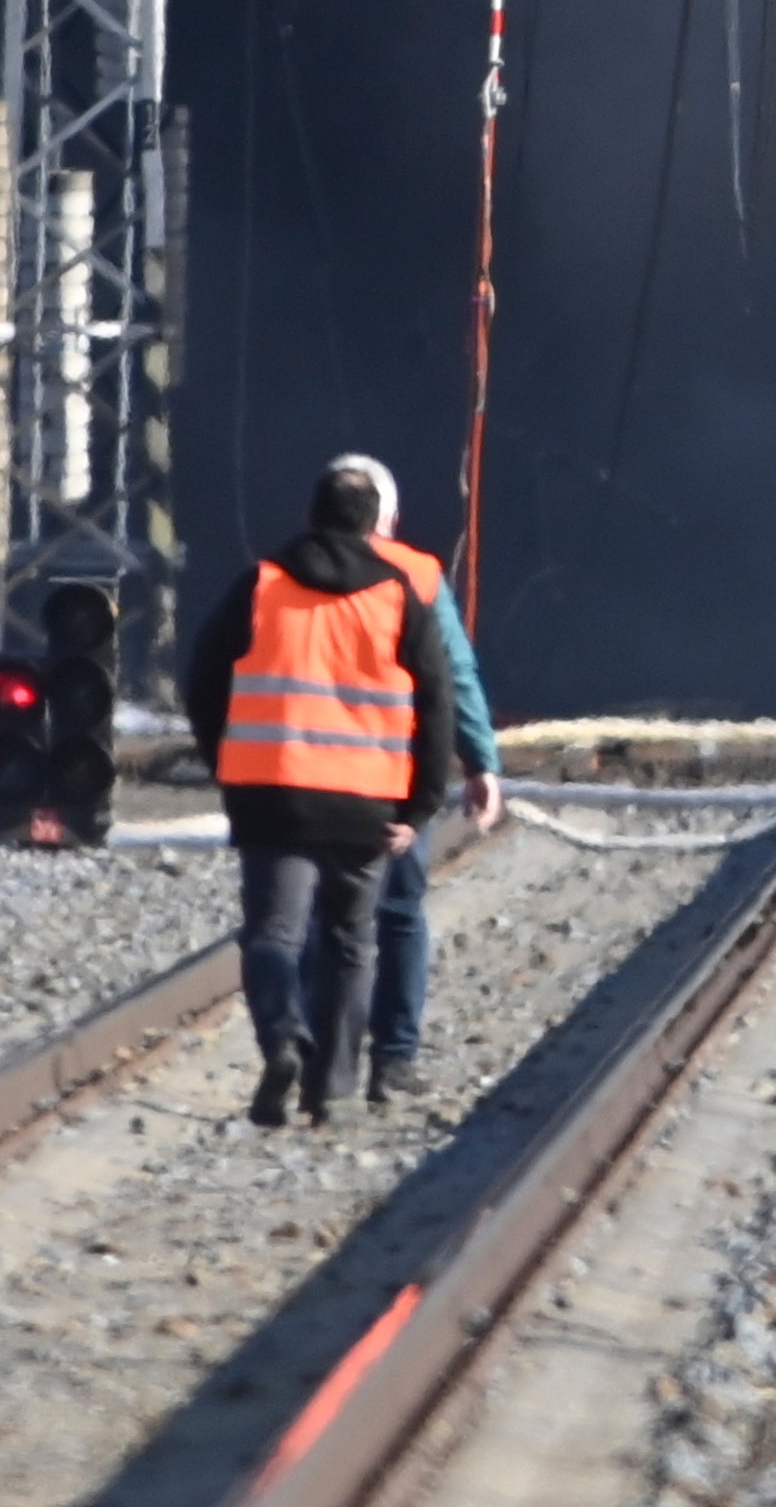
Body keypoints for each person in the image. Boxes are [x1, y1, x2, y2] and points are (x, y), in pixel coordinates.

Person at [187, 463, 473, 1129]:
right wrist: (420, 806)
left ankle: (283, 1035)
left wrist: (223, 761)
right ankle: (334, 1086)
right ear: (375, 526)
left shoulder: (261, 586)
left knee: (274, 934)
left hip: (273, 796)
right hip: (365, 806)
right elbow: (437, 703)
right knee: (351, 941)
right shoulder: (399, 597)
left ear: (312, 515)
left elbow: (203, 678)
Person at [299, 457, 505, 1090]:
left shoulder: (286, 573)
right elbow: (454, 674)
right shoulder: (417, 576)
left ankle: (324, 1059)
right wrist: (480, 762)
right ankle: (395, 1057)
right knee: (399, 913)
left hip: (310, 770)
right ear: (388, 518)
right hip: (393, 774)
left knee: (321, 914)